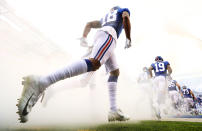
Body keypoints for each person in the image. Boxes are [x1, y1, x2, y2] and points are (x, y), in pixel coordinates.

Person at [16, 6, 131, 123]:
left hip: (101, 36)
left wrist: (84, 37)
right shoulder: (122, 10)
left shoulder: (104, 19)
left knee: (114, 72)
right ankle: (43, 81)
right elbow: (126, 17)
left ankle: (113, 110)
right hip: (110, 36)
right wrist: (128, 37)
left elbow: (89, 24)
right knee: (94, 64)